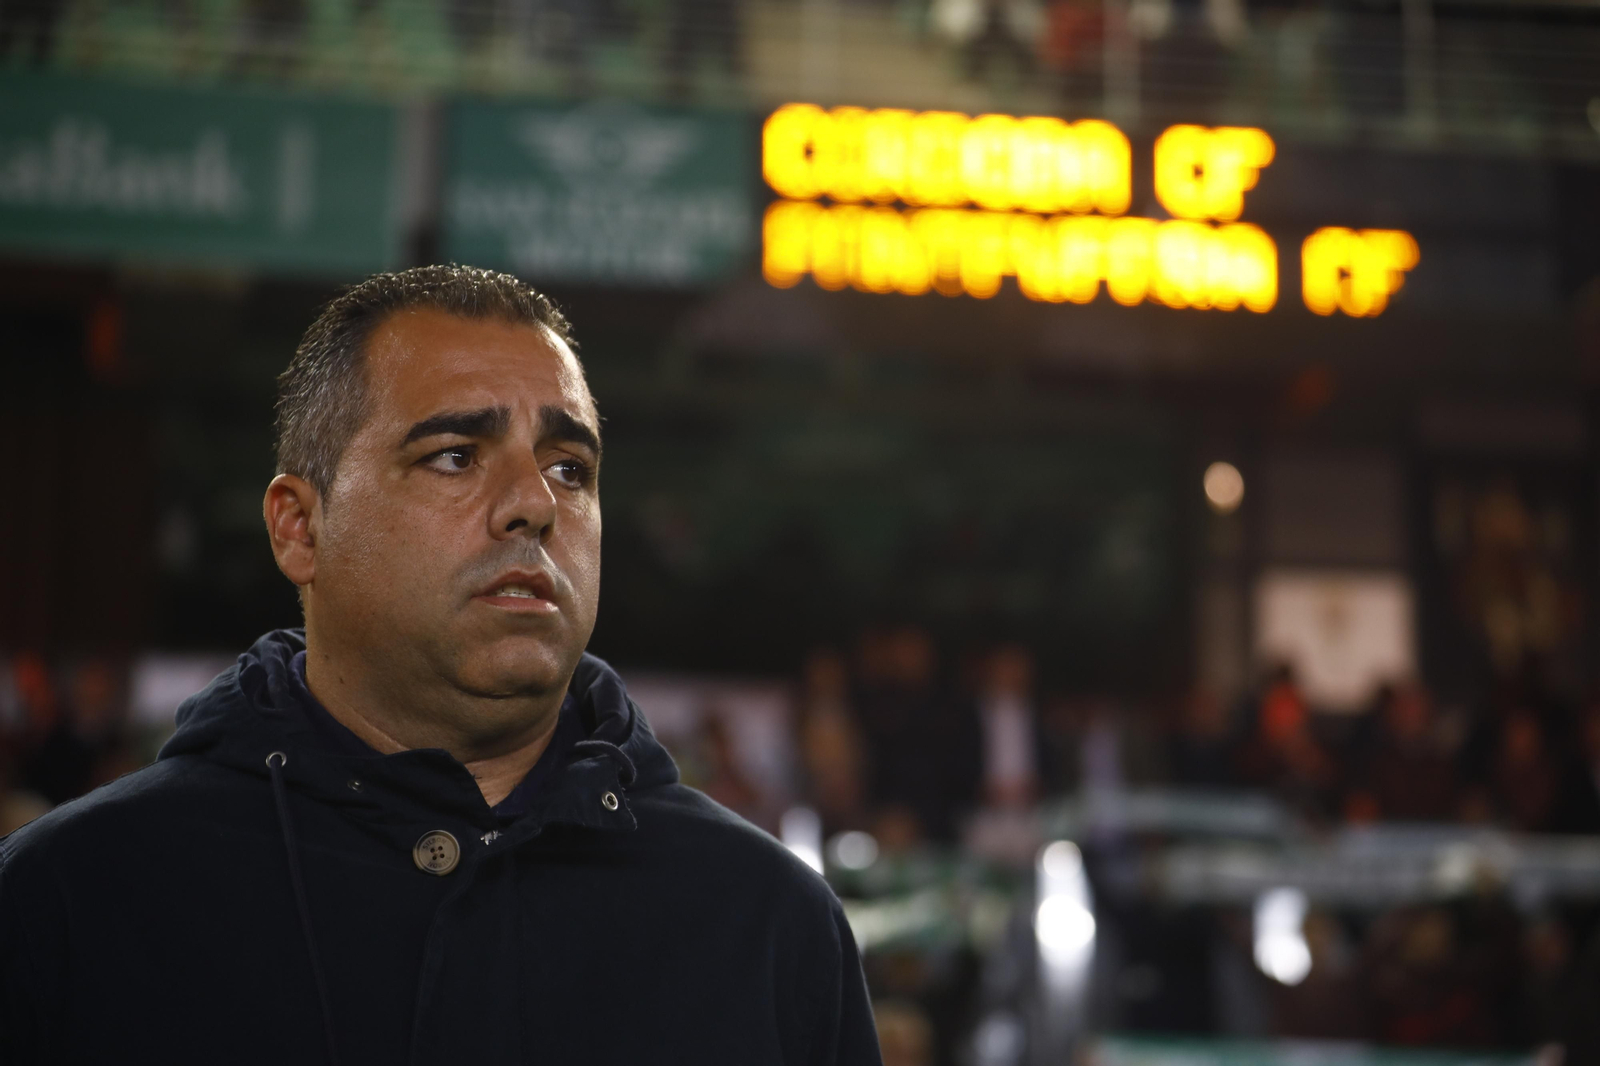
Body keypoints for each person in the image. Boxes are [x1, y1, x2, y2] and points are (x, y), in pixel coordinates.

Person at [0, 266, 881, 1065]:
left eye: (570, 468)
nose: (535, 503)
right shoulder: (67, 901)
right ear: (299, 528)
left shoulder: (770, 924)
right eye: (455, 456)